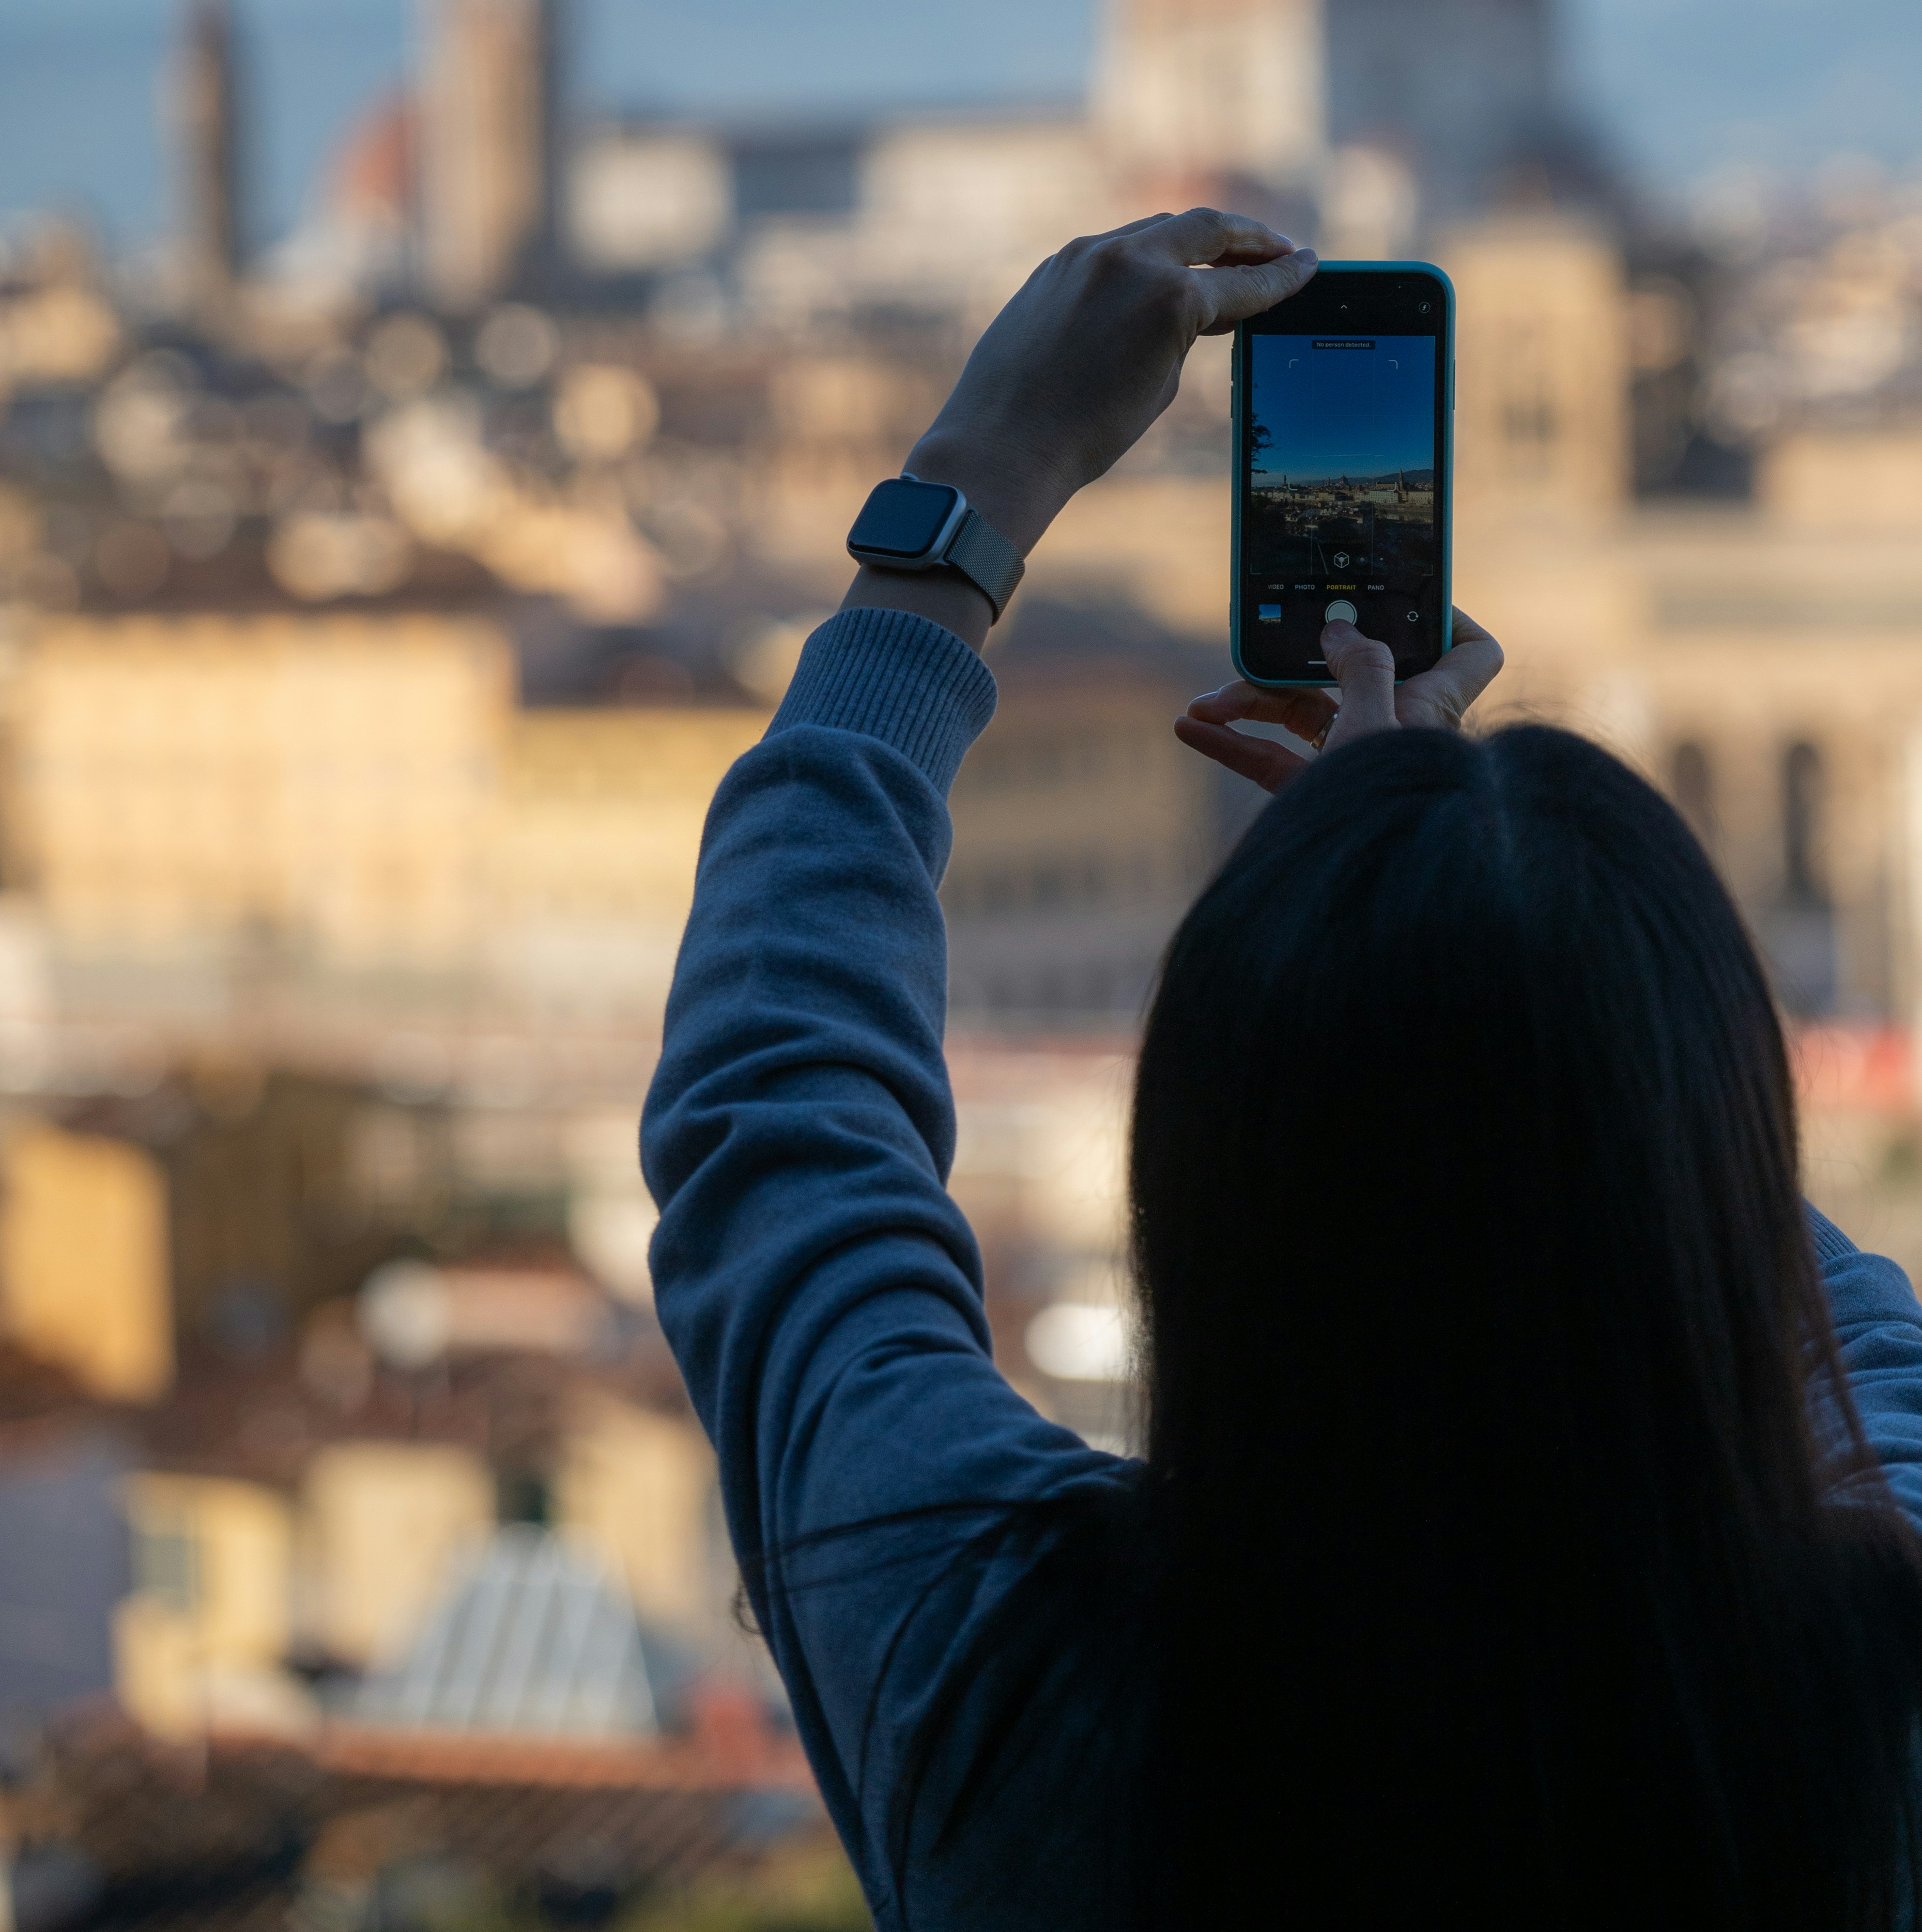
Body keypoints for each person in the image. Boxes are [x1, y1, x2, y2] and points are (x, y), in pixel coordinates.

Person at [643, 210, 1922, 1932]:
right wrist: (1463, 908)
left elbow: (777, 1106)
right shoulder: (1882, 1689)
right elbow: (1768, 1272)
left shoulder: (996, 1678)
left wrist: (967, 494)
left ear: (1196, 1167)